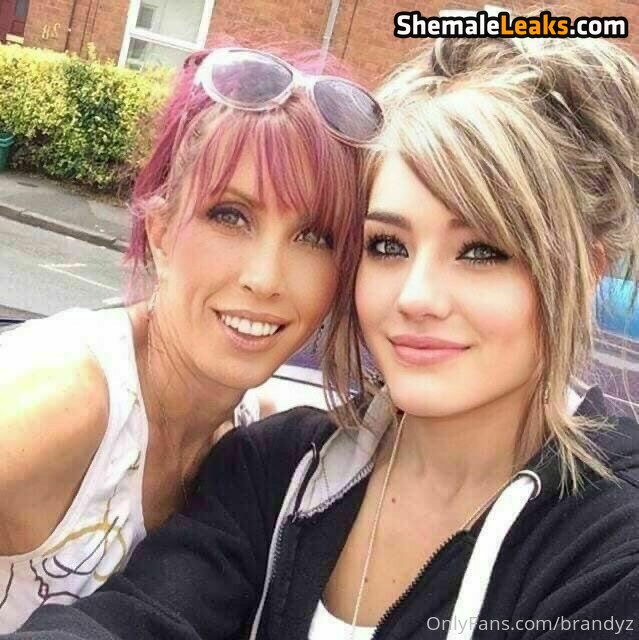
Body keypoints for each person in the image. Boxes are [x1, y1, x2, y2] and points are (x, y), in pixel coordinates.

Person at [5, 35, 639, 640]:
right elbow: (138, 616)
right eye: (387, 245)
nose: (415, 296)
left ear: (585, 272)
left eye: (482, 251)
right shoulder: (278, 468)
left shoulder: (612, 548)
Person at [0, 46, 383, 632]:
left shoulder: (250, 443)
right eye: (230, 216)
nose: (265, 278)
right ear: (159, 231)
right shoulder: (62, 400)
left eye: (314, 236)